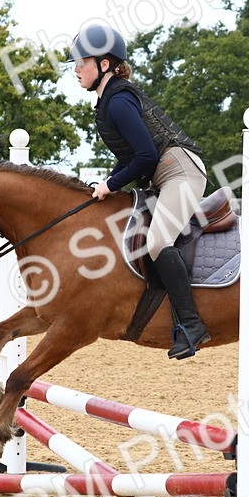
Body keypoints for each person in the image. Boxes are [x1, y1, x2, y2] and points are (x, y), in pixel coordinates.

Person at [70, 23, 210, 359]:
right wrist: (105, 185)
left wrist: (111, 183)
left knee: (158, 240)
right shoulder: (108, 102)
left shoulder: (118, 101)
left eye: (82, 62)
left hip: (180, 172)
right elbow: (131, 157)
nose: (76, 70)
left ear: (104, 65)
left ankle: (192, 324)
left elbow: (146, 155)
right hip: (160, 176)